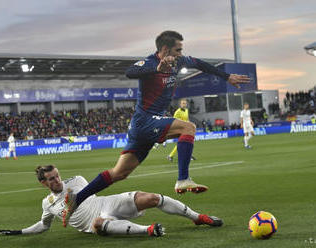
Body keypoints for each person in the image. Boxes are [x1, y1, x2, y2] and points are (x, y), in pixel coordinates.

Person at [62, 30, 250, 225]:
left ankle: (78, 198)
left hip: (144, 125)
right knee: (189, 128)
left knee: (119, 173)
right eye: (178, 49)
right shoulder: (149, 63)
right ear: (165, 49)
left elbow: (201, 64)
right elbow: (130, 72)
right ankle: (183, 179)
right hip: (145, 121)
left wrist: (227, 77)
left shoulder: (179, 61)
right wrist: (157, 69)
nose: (181, 53)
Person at [0, 165, 223, 237]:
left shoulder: (76, 180)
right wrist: (20, 232)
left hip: (106, 203)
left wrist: (71, 202)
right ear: (43, 183)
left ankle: (198, 217)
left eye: (57, 175)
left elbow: (88, 192)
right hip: (95, 222)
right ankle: (148, 230)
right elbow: (44, 225)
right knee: (97, 224)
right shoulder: (47, 203)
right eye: (51, 179)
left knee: (152, 198)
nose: (57, 180)